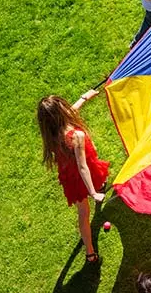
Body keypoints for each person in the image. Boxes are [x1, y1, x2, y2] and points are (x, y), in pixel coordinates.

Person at [37, 90, 109, 263]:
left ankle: (90, 253)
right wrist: (92, 192)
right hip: (84, 172)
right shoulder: (76, 136)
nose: (68, 107)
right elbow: (83, 166)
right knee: (85, 211)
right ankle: (90, 252)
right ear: (60, 114)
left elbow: (73, 111)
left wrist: (85, 97)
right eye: (63, 106)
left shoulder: (51, 132)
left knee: (82, 213)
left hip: (70, 177)